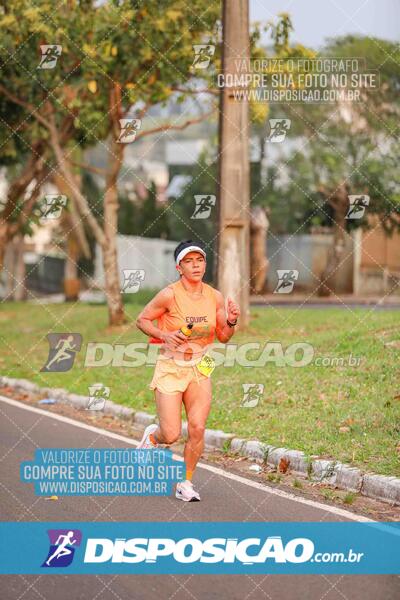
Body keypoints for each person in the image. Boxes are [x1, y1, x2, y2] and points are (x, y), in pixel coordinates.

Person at [136, 240, 240, 502]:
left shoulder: (214, 296)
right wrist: (164, 335)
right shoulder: (169, 294)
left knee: (197, 427)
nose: (195, 265)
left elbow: (224, 336)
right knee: (170, 434)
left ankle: (186, 482)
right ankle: (152, 437)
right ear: (179, 267)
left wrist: (232, 320)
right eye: (189, 261)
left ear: (205, 264)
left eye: (200, 260)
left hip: (200, 367)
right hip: (171, 366)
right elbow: (142, 320)